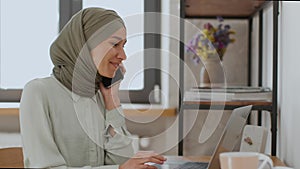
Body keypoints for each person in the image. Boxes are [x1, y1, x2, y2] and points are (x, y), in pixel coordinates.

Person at [20, 7, 166, 169]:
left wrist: (112, 100)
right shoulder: (38, 92)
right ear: (85, 45)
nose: (123, 55)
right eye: (115, 44)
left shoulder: (100, 95)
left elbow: (122, 160)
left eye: (123, 45)